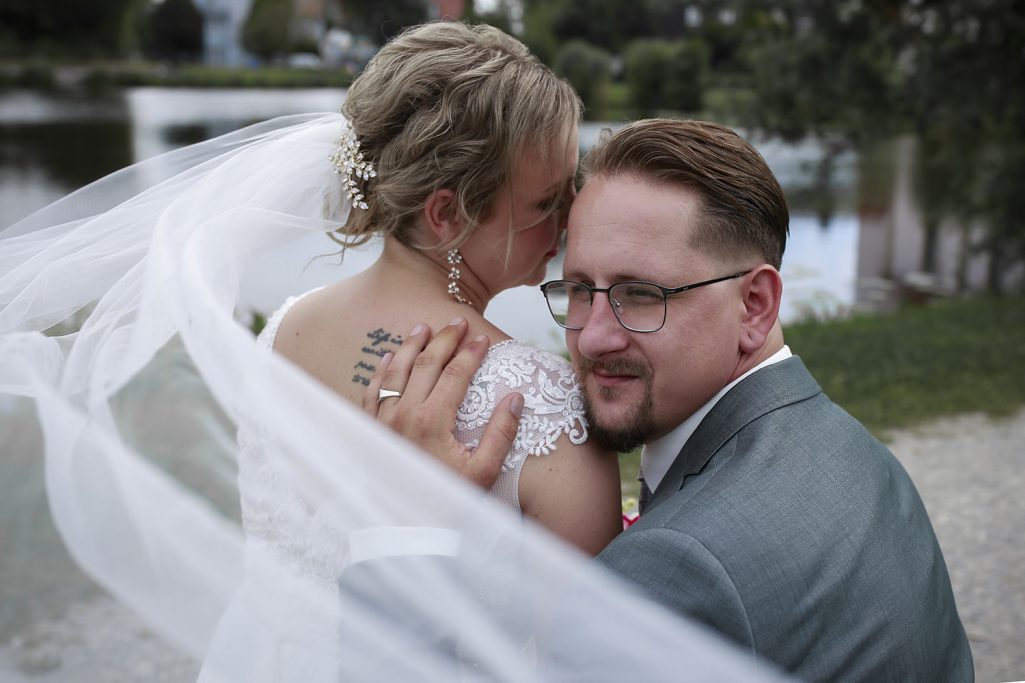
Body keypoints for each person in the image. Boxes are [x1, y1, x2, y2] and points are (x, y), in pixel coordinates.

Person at [369, 118, 975, 681]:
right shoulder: (860, 459)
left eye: (641, 294)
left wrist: (409, 532)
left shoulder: (670, 574)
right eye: (580, 289)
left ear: (755, 305)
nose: (593, 337)